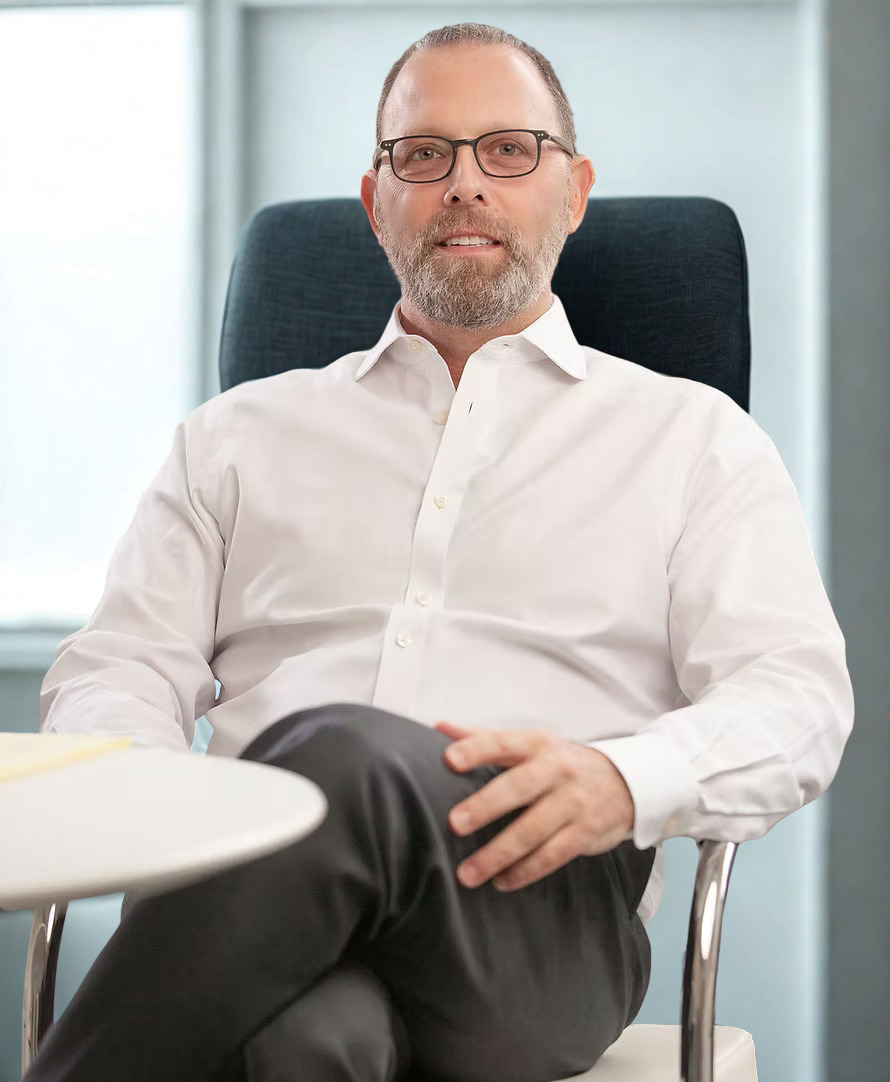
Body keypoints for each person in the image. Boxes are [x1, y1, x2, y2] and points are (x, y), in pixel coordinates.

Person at [28, 21, 853, 1082]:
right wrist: (169, 820)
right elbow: (118, 669)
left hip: (534, 914)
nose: (464, 183)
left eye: (508, 149)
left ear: (573, 190)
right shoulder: (234, 437)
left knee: (340, 754)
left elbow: (795, 697)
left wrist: (621, 776)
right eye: (422, 155)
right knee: (313, 1039)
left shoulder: (691, 438)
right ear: (377, 203)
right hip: (259, 891)